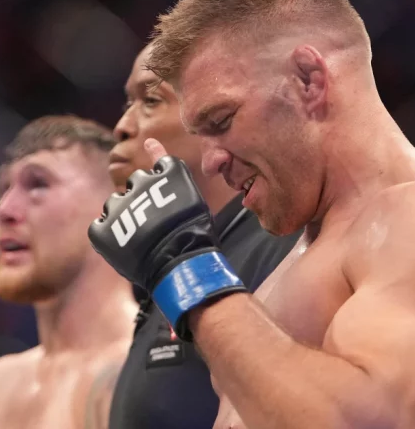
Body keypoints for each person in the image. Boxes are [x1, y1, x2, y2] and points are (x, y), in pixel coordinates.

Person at [88, 0, 415, 428]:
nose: (211, 160)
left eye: (221, 121)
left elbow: (364, 424)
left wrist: (186, 271)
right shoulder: (303, 249)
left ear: (308, 79)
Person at [106, 43, 300, 428]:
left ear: (208, 115)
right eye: (127, 102)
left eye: (149, 100)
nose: (122, 126)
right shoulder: (166, 260)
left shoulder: (282, 245)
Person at [0, 116, 138, 429]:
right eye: (4, 188)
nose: (3, 210)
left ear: (115, 205)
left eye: (38, 184)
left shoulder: (149, 367)